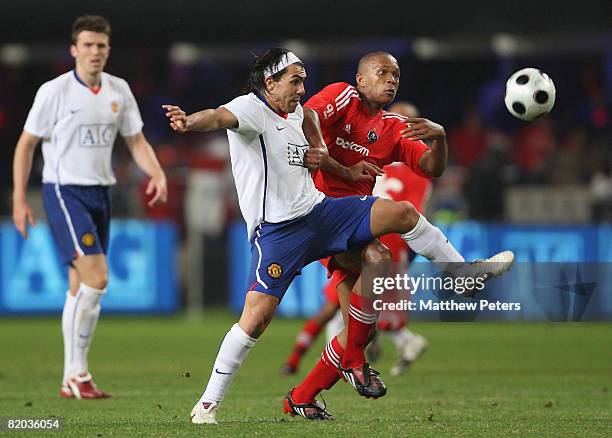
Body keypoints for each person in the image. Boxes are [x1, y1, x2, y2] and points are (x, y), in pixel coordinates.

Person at [163, 48, 513, 424]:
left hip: (319, 212)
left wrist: (335, 163)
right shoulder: (252, 108)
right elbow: (217, 116)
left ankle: (456, 274)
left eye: (303, 79)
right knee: (256, 319)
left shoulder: (300, 113)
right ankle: (207, 404)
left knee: (390, 236)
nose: (302, 88)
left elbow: (313, 129)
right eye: (295, 81)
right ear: (270, 83)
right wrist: (188, 122)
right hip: (277, 231)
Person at [284, 52, 513, 419]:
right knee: (404, 213)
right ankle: (460, 272)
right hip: (317, 213)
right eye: (382, 72)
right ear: (360, 79)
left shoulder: (393, 126)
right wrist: (330, 158)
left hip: (351, 228)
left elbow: (430, 168)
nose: (391, 79)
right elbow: (308, 114)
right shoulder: (343, 96)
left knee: (363, 320)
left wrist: (439, 138)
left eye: (397, 74)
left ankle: (301, 397)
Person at [12, 15, 168, 399]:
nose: (94, 52)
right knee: (97, 278)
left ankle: (70, 379)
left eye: (100, 46)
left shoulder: (119, 90)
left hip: (101, 192)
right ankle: (79, 372)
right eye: (88, 45)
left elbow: (136, 141)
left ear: (108, 50)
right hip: (65, 191)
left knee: (78, 286)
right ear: (74, 50)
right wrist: (19, 197)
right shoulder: (55, 91)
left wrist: (157, 173)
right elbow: (26, 144)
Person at [281, 102, 430, 377]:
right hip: (374, 237)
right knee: (360, 311)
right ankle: (381, 347)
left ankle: (313, 364)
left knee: (346, 309)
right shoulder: (405, 164)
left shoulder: (380, 154)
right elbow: (415, 212)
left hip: (362, 236)